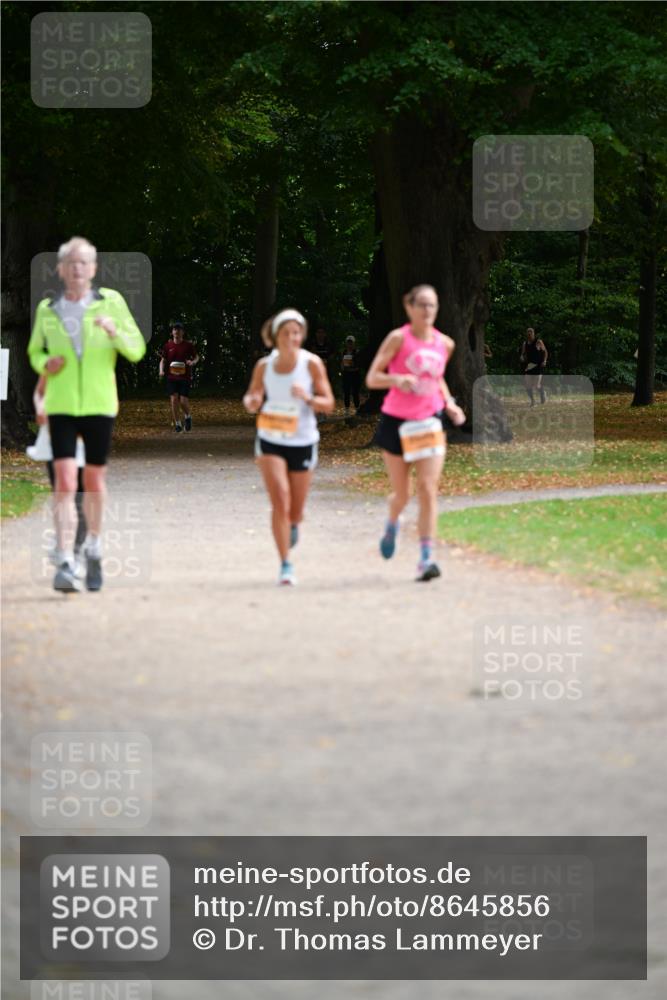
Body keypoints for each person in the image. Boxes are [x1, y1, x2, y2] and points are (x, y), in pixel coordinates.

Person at [27, 235, 146, 593]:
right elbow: (34, 352)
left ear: (93, 269)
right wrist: (45, 362)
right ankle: (65, 558)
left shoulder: (111, 303)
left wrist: (115, 333)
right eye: (71, 263)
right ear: (61, 269)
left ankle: (93, 544)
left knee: (93, 482)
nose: (78, 268)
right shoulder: (48, 309)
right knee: (64, 482)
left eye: (84, 262)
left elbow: (137, 350)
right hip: (62, 404)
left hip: (99, 403)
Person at [366, 284, 465, 582]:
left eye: (432, 305)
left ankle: (425, 559)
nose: (427, 310)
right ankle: (392, 522)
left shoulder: (444, 344)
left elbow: (437, 379)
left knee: (427, 489)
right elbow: (372, 378)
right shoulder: (398, 338)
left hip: (429, 423)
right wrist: (397, 379)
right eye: (421, 304)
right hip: (396, 422)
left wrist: (449, 404)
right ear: (409, 307)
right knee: (403, 494)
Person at [243, 308, 334, 586]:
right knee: (279, 500)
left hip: (303, 440)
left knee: (295, 509)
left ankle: (293, 523)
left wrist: (308, 397)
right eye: (286, 333)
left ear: (302, 335)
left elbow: (328, 403)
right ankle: (285, 564)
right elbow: (254, 394)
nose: (292, 338)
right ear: (275, 336)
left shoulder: (312, 364)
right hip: (271, 437)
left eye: (296, 333)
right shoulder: (264, 366)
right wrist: (252, 402)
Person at [27, 374, 87, 572]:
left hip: (84, 439)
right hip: (54, 436)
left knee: (81, 498)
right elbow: (40, 392)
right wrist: (40, 406)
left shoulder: (96, 364)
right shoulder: (56, 361)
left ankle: (75, 550)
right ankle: (64, 548)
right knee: (62, 492)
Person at [159, 321, 199, 431]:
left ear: (183, 332)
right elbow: (162, 360)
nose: (177, 331)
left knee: (183, 401)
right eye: (175, 329)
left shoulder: (188, 345)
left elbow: (196, 357)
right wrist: (161, 370)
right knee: (173, 400)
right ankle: (177, 423)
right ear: (172, 332)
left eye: (179, 329)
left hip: (184, 377)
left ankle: (188, 416)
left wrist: (193, 362)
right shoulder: (168, 346)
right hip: (171, 378)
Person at [520, 327, 548, 404]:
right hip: (529, 366)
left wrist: (544, 361)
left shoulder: (538, 342)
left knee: (536, 385)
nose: (529, 334)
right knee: (527, 385)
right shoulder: (525, 343)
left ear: (534, 334)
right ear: (526, 334)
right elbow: (523, 354)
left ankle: (542, 394)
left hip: (538, 365)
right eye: (528, 333)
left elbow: (545, 352)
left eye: (531, 333)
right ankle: (533, 401)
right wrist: (522, 357)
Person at [341, 335, 362, 416]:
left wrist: (353, 365)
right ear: (346, 343)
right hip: (346, 374)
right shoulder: (344, 352)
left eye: (351, 343)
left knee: (355, 392)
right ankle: (347, 410)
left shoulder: (357, 352)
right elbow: (342, 362)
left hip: (355, 374)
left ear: (354, 343)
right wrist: (342, 366)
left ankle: (357, 409)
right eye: (348, 342)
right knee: (346, 392)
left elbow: (359, 364)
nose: (350, 344)